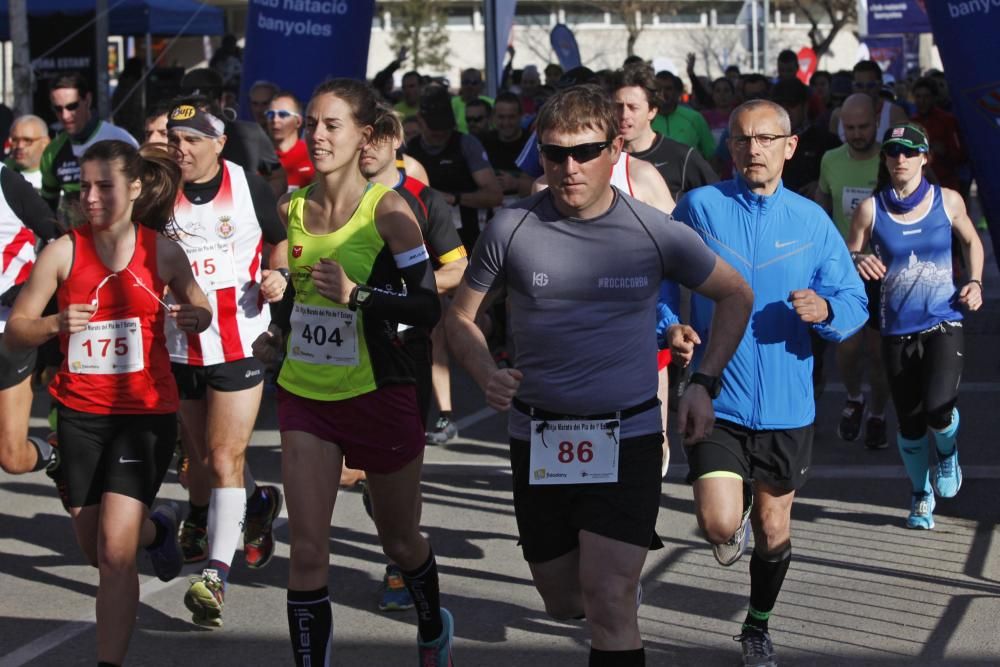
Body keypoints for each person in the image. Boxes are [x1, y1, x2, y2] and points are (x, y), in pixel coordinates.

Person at [446, 83, 753, 667]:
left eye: (584, 152)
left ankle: (617, 586)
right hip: (539, 436)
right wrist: (486, 369)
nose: (569, 167)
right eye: (554, 153)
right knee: (565, 601)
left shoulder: (652, 228)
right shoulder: (510, 228)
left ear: (616, 149)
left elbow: (735, 294)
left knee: (610, 604)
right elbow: (461, 317)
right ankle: (608, 583)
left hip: (628, 434)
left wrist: (705, 383)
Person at [251, 78, 453, 667]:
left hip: (378, 391)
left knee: (399, 540)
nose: (316, 135)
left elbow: (425, 307)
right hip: (305, 395)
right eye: (311, 123)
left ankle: (430, 623)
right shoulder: (292, 205)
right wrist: (278, 330)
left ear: (365, 135)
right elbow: (297, 293)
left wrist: (360, 296)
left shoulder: (390, 212)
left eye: (331, 125)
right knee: (308, 549)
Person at [667, 99, 868, 667]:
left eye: (764, 139)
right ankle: (732, 529)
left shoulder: (810, 221)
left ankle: (757, 625)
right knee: (718, 521)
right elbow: (660, 275)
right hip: (716, 392)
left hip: (787, 404)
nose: (752, 149)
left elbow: (853, 300)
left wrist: (826, 310)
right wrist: (670, 324)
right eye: (740, 139)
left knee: (775, 527)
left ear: (789, 146)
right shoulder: (700, 207)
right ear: (728, 146)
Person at [5, 140, 212, 667]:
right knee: (95, 548)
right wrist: (53, 324)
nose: (90, 199)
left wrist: (195, 317)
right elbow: (16, 330)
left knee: (116, 556)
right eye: (84, 188)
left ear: (135, 188)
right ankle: (159, 528)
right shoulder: (63, 252)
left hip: (143, 414)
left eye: (104, 187)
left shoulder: (160, 251)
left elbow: (199, 303)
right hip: (78, 416)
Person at [163, 103, 289, 627]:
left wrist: (279, 278)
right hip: (180, 345)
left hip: (241, 341)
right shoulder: (159, 191)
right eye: (175, 139)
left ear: (218, 143)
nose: (181, 149)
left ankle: (216, 574)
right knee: (199, 460)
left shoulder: (249, 187)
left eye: (192, 139)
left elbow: (280, 242)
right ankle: (257, 501)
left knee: (220, 456)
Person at [359, 102, 469, 613]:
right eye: (362, 135)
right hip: (338, 354)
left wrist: (401, 294)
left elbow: (458, 268)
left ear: (397, 141)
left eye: (379, 137)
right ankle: (394, 527)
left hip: (402, 351)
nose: (368, 146)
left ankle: (400, 565)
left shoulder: (423, 200)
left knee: (400, 466)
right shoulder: (330, 199)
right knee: (350, 469)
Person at [847, 123, 984, 529]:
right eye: (892, 152)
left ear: (925, 157)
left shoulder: (949, 201)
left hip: (943, 320)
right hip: (894, 328)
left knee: (939, 410)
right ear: (885, 159)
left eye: (909, 151)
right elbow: (848, 251)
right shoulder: (871, 209)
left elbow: (972, 242)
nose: (900, 159)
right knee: (908, 422)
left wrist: (975, 281)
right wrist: (857, 260)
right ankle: (921, 494)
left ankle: (947, 450)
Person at [407, 84, 502, 445]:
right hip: (425, 248)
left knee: (465, 321)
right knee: (438, 328)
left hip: (468, 248)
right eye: (432, 128)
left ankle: (489, 336)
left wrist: (454, 198)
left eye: (444, 128)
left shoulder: (466, 145)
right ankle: (445, 415)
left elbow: (493, 193)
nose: (438, 135)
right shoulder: (410, 154)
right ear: (420, 122)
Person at [816, 93, 890, 448]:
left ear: (877, 121)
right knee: (846, 345)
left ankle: (877, 412)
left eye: (864, 127)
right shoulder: (831, 159)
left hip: (885, 270)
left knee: (878, 354)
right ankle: (853, 397)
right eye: (850, 128)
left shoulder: (892, 159)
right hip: (843, 268)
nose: (857, 134)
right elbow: (823, 206)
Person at [0, 162, 62, 477]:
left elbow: (60, 239)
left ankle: (56, 459)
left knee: (12, 458)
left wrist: (25, 289)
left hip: (8, 333)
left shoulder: (5, 181)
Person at [39, 73, 139, 226]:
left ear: (87, 100)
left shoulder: (121, 139)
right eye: (58, 109)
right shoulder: (52, 151)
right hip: (76, 241)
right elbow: (47, 205)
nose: (65, 116)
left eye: (72, 106)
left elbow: (142, 196)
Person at [611, 66, 719, 200]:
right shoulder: (605, 157)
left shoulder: (682, 156)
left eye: (633, 107)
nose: (624, 115)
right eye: (618, 106)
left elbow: (716, 202)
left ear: (652, 111)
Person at [179, 69, 287, 196]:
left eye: (206, 106)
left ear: (223, 100)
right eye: (190, 107)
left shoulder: (249, 134)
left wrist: (256, 204)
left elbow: (277, 177)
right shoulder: (170, 137)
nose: (199, 113)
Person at [773, 79, 841, 198]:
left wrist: (820, 184)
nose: (785, 111)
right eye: (780, 106)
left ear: (805, 106)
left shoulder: (826, 140)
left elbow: (843, 173)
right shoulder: (763, 142)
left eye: (792, 105)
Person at [830, 61, 908, 143]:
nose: (865, 90)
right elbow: (833, 151)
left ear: (880, 85)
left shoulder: (895, 114)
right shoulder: (838, 116)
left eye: (871, 85)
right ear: (852, 86)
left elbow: (905, 150)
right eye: (859, 85)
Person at [911, 78, 966, 192]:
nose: (922, 101)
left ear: (933, 98)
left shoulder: (947, 120)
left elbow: (960, 154)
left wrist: (945, 150)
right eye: (918, 96)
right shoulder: (911, 123)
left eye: (926, 96)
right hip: (919, 186)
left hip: (946, 184)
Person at [481, 92, 533, 205]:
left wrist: (516, 184)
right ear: (493, 117)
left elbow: (546, 187)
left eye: (511, 117)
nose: (506, 122)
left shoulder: (532, 143)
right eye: (501, 117)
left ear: (521, 116)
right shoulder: (482, 142)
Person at [650, 71, 715, 160]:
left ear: (676, 92)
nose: (664, 93)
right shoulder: (646, 119)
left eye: (668, 88)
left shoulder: (694, 117)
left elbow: (711, 155)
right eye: (659, 89)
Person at [267, 91, 315, 191]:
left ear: (298, 121)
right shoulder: (260, 158)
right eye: (270, 114)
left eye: (283, 114)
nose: (275, 120)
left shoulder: (313, 156)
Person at [6, 115, 51, 191]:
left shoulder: (58, 172)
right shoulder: (3, 170)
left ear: (45, 143)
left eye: (27, 140)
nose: (20, 146)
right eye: (15, 140)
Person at [452, 68, 494, 135]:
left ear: (481, 85)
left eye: (474, 83)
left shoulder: (491, 103)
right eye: (466, 82)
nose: (469, 86)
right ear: (461, 84)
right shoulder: (452, 104)